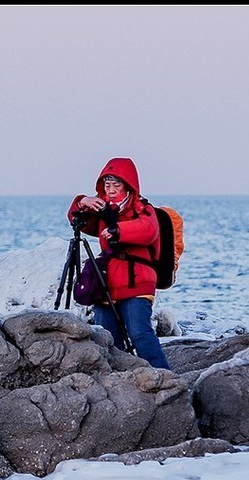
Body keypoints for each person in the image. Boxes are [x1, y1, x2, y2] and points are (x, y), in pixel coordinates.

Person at [67, 157, 171, 370]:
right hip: (107, 283)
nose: (111, 190)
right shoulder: (102, 209)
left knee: (140, 333)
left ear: (128, 186)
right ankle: (122, 381)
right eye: (107, 185)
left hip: (137, 281)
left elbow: (148, 231)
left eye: (116, 185)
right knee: (108, 339)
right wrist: (82, 202)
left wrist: (118, 231)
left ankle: (164, 377)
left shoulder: (143, 209)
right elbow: (78, 220)